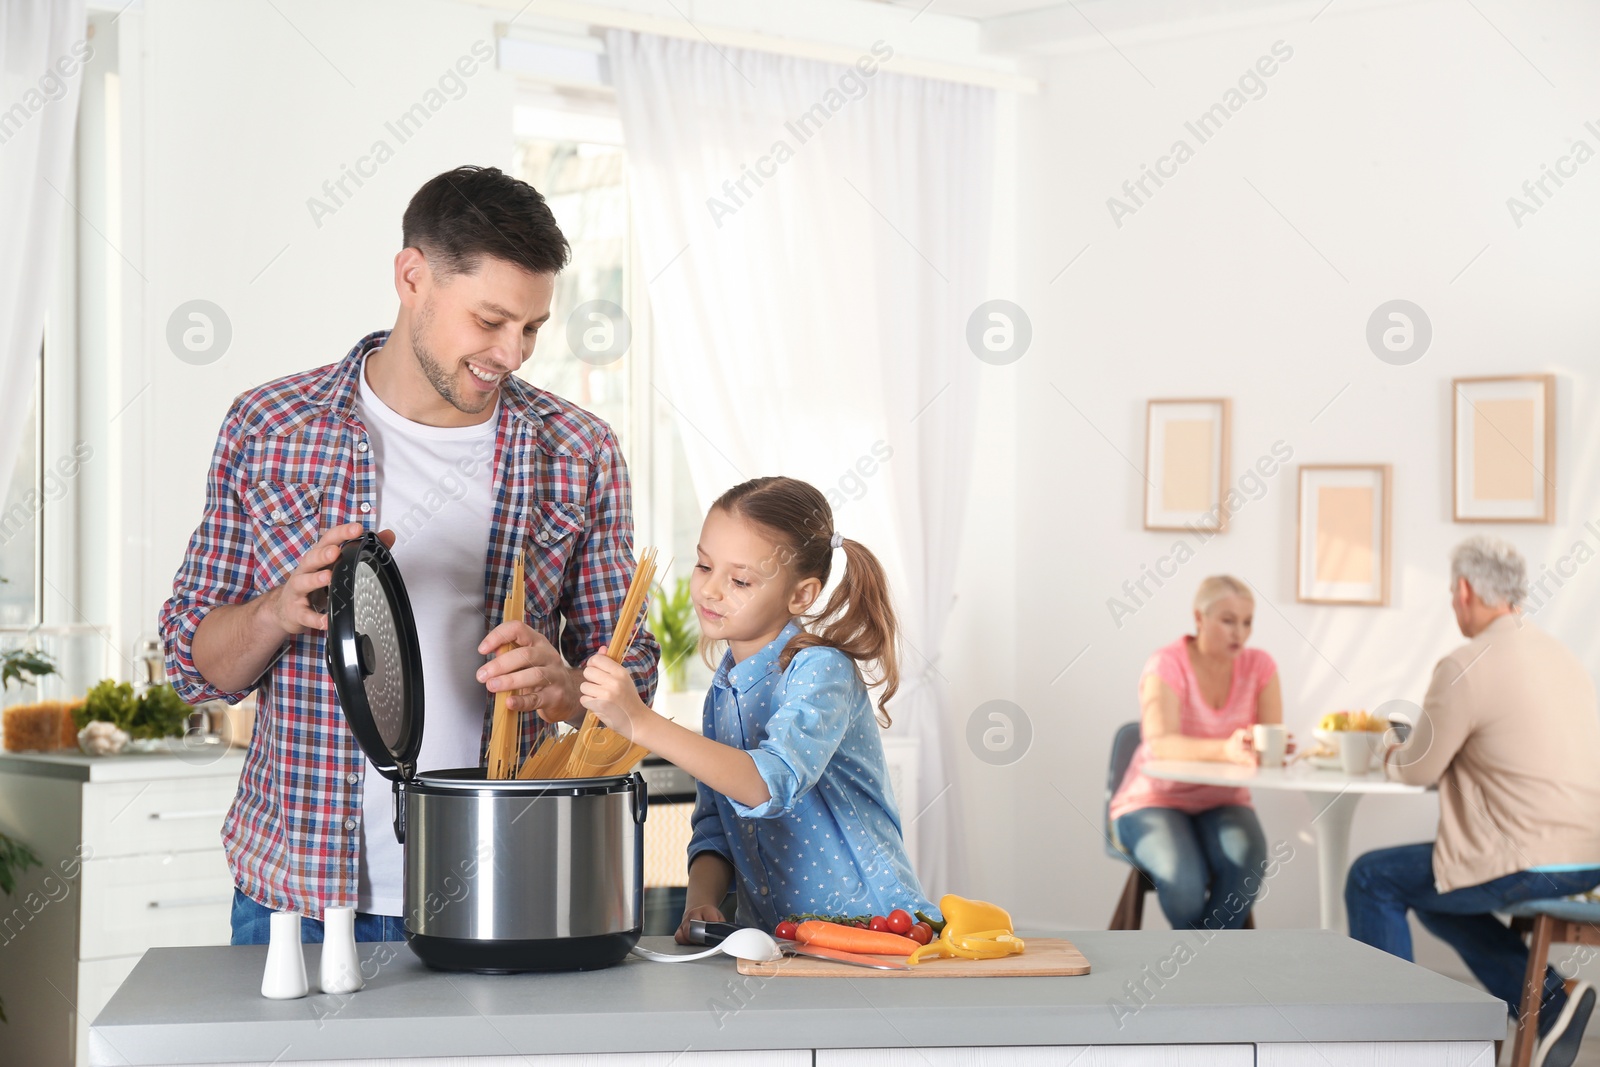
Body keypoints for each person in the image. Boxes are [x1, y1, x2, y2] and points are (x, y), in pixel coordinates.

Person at [158, 165, 660, 945]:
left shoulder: (578, 450)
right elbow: (194, 667)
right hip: (297, 896)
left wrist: (563, 686)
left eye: (531, 328)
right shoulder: (269, 427)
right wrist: (276, 612)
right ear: (412, 276)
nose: (513, 353)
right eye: (490, 320)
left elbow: (636, 674)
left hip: (502, 885)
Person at [576, 476, 933, 939]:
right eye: (704, 566)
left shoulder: (821, 671)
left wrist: (640, 722)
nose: (710, 590)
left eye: (740, 580)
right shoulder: (722, 692)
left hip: (878, 930)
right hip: (782, 942)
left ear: (801, 595)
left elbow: (768, 783)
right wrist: (701, 901)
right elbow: (716, 826)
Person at [1346, 536, 1600, 1067]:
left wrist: (1391, 748)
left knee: (1373, 878)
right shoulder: (1559, 654)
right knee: (1441, 892)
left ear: (1463, 590)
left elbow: (1420, 766)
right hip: (1588, 858)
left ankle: (1391, 1044)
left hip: (1529, 858)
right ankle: (1552, 1004)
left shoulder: (1466, 661)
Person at [1109, 575, 1284, 930]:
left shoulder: (1260, 667)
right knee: (1184, 884)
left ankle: (1196, 970)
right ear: (1199, 618)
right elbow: (1160, 743)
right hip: (1152, 801)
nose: (1240, 632)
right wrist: (1227, 749)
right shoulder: (1167, 664)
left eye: (1247, 622)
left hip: (1222, 800)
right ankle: (1216, 971)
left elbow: (1270, 739)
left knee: (1247, 863)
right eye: (1228, 620)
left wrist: (1273, 750)